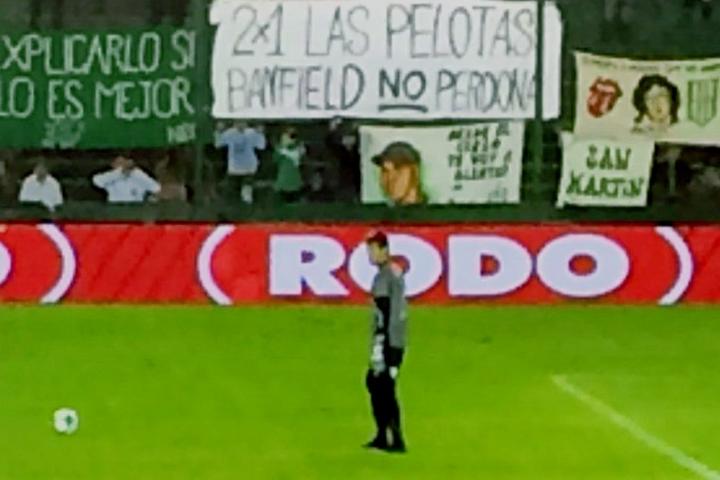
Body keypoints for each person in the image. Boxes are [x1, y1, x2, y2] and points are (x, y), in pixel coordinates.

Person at [364, 230, 408, 453]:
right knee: (374, 382)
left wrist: (392, 347)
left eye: (373, 250)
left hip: (389, 341)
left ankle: (396, 439)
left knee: (384, 387)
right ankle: (383, 435)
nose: (370, 255)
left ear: (385, 250)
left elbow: (395, 313)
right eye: (368, 250)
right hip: (382, 340)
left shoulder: (390, 276)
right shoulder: (384, 275)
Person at [215, 120, 267, 204]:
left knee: (247, 191)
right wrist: (219, 131)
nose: (240, 125)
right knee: (230, 192)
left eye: (243, 122)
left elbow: (261, 146)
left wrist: (260, 133)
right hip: (234, 168)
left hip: (249, 167)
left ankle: (248, 202)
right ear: (234, 123)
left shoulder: (251, 133)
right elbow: (218, 144)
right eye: (238, 122)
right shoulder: (230, 133)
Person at [92, 155, 160, 203]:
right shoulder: (110, 177)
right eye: (118, 163)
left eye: (124, 163)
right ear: (113, 165)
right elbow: (96, 181)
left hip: (135, 212)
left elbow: (156, 188)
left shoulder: (138, 176)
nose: (122, 166)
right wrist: (120, 172)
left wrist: (136, 172)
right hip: (115, 212)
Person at [325, 118, 361, 202]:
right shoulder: (340, 151)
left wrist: (356, 131)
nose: (349, 141)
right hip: (343, 180)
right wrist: (332, 130)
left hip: (355, 181)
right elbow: (330, 143)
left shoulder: (357, 151)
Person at [273, 127, 305, 203]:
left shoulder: (297, 149)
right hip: (284, 174)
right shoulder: (281, 149)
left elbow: (299, 157)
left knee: (293, 191)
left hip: (293, 175)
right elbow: (275, 159)